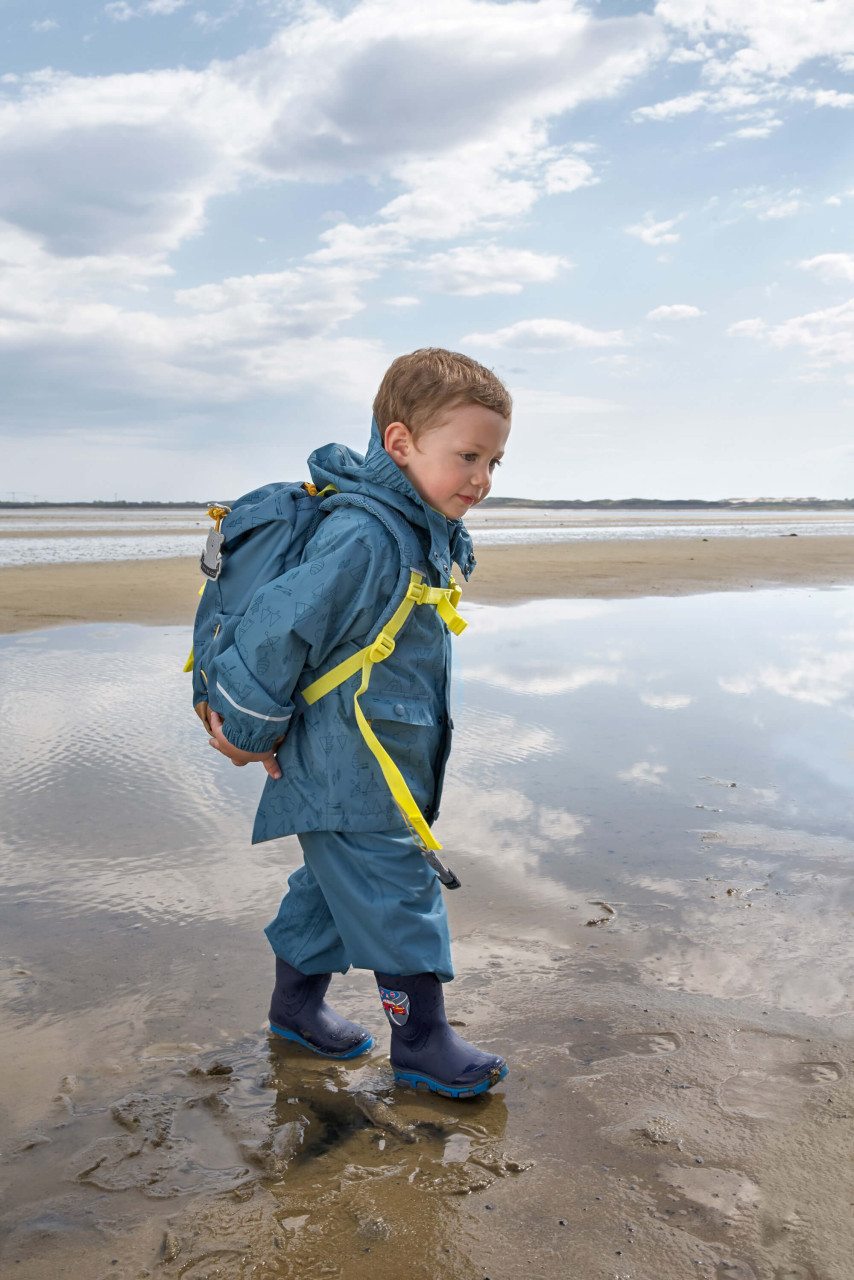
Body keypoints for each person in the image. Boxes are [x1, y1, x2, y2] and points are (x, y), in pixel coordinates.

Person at [204, 348, 512, 1098]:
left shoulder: (421, 527)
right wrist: (247, 733)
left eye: (496, 461)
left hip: (379, 750)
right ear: (401, 443)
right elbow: (282, 630)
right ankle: (423, 1041)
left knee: (331, 891)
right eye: (468, 456)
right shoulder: (367, 536)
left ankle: (296, 1009)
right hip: (348, 758)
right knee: (398, 885)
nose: (482, 479)